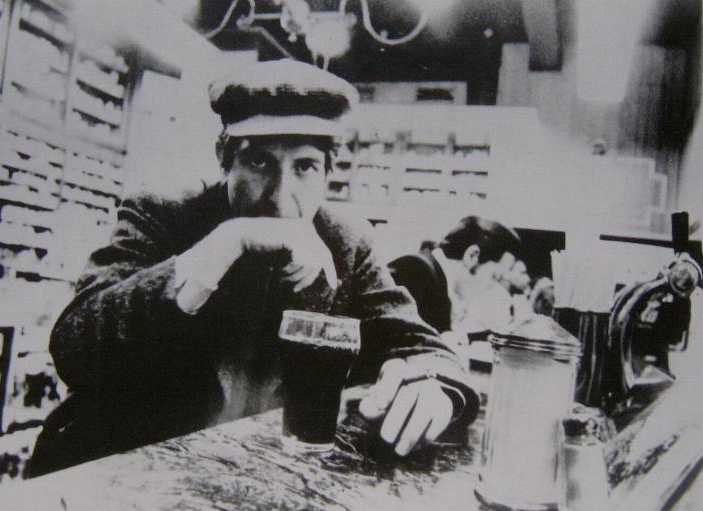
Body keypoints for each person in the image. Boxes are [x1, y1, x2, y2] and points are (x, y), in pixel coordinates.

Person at [28, 59, 479, 477]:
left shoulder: (346, 242)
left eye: (305, 166)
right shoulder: (164, 212)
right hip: (122, 477)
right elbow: (73, 348)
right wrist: (225, 244)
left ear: (328, 172)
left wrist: (433, 383)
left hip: (254, 482)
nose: (280, 198)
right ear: (225, 160)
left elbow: (423, 346)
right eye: (260, 161)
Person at [388, 216, 521, 335]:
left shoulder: (434, 279)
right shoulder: (414, 271)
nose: (493, 288)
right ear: (472, 255)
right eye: (495, 277)